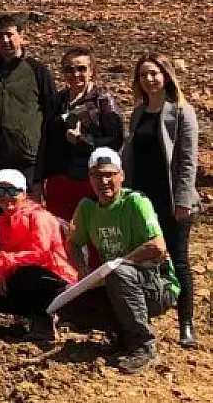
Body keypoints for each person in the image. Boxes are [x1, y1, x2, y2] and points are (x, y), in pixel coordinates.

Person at [61, 148, 180, 373]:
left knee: (119, 274)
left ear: (121, 176)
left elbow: (158, 247)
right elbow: (74, 243)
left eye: (110, 174)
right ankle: (122, 336)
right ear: (90, 179)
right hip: (118, 282)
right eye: (97, 175)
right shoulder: (87, 208)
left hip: (156, 285)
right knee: (70, 301)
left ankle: (143, 346)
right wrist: (84, 270)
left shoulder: (135, 202)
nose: (104, 181)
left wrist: (119, 262)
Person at [122, 54, 198, 348]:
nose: (149, 80)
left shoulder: (181, 112)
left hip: (172, 200)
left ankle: (186, 325)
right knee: (143, 257)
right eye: (143, 75)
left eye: (153, 74)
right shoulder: (139, 112)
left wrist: (183, 200)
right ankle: (140, 322)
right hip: (143, 200)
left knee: (178, 259)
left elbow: (188, 162)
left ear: (165, 75)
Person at [0, 13, 55, 249]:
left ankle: (26, 263)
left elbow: (49, 113)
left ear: (21, 36)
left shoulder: (37, 72)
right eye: (0, 35)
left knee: (27, 215)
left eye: (10, 34)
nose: (6, 40)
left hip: (26, 159)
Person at [0, 170, 77, 342]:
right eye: (0, 191)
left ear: (23, 193)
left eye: (12, 191)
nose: (6, 197)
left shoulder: (39, 216)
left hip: (55, 277)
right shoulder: (3, 222)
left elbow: (40, 255)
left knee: (27, 275)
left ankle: (46, 319)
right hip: (28, 276)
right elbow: (7, 255)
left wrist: (0, 260)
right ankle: (35, 315)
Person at [39, 47, 124, 222]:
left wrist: (82, 141)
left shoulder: (103, 101)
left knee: (90, 233)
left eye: (81, 69)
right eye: (69, 69)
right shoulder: (57, 101)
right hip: (58, 180)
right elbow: (45, 142)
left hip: (91, 180)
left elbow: (116, 141)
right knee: (59, 234)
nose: (75, 74)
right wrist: (39, 179)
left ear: (92, 71)